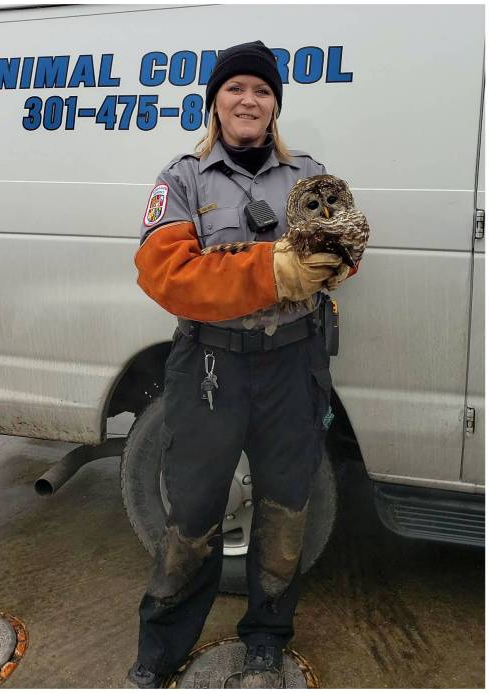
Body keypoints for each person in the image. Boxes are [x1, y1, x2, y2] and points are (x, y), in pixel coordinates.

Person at [127, 40, 356, 688]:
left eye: (261, 90)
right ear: (215, 103)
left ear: (275, 105)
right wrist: (277, 268)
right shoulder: (184, 178)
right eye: (235, 89)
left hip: (292, 363)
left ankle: (266, 639)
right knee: (193, 517)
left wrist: (336, 257)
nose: (248, 100)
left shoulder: (309, 178)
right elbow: (165, 274)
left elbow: (344, 247)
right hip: (211, 368)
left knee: (285, 513)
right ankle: (160, 652)